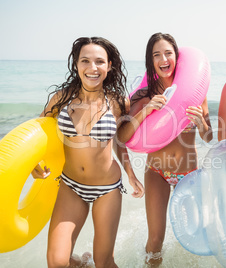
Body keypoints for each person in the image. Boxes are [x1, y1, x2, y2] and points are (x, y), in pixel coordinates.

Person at [32, 37, 144, 268]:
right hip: (71, 184)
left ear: (109, 66)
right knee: (57, 262)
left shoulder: (117, 102)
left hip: (107, 188)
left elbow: (119, 142)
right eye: (85, 61)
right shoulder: (61, 99)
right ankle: (81, 264)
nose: (93, 68)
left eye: (99, 62)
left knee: (104, 262)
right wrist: (34, 162)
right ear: (76, 64)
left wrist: (130, 174)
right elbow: (37, 135)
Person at [117, 32, 213, 266]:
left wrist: (201, 123)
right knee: (156, 238)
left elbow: (208, 137)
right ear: (151, 61)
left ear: (176, 57)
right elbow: (121, 137)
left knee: (195, 234)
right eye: (156, 55)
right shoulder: (144, 95)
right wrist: (147, 110)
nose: (163, 59)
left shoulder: (195, 91)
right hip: (157, 172)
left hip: (188, 173)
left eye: (168, 53)